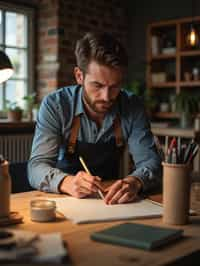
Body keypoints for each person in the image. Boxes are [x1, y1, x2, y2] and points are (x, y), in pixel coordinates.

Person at [28, 32, 162, 204]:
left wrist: (135, 182)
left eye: (114, 87)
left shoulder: (132, 106)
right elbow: (36, 167)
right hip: (65, 200)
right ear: (79, 76)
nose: (106, 97)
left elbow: (151, 162)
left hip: (111, 200)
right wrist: (66, 182)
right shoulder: (56, 105)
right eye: (97, 85)